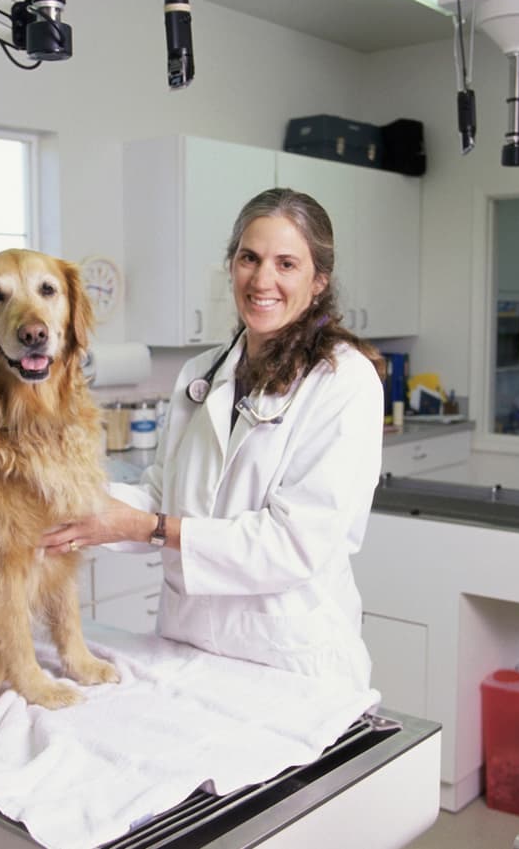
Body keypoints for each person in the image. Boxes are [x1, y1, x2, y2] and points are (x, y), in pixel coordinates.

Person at [43, 188, 386, 689]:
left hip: (289, 663)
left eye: (286, 264)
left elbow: (293, 545)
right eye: (250, 258)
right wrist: (74, 502)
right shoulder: (201, 375)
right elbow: (163, 493)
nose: (262, 280)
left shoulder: (344, 383)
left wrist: (147, 527)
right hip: (188, 648)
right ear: (231, 265)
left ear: (319, 281)